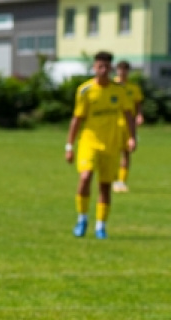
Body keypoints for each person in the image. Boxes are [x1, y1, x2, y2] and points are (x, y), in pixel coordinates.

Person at [65, 51, 136, 240]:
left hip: (111, 145)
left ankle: (100, 226)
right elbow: (77, 119)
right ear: (94, 68)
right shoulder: (85, 91)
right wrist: (69, 146)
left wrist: (132, 137)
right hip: (89, 142)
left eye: (106, 67)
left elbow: (129, 114)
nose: (103, 71)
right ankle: (82, 218)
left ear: (110, 68)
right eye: (99, 67)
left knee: (105, 187)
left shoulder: (119, 91)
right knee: (86, 176)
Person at [112, 60, 144, 193]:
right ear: (116, 70)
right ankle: (111, 179)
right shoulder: (112, 85)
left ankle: (121, 181)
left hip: (128, 124)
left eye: (125, 69)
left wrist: (140, 115)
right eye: (120, 69)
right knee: (113, 153)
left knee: (126, 152)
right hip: (113, 123)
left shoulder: (133, 88)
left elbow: (138, 104)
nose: (122, 72)